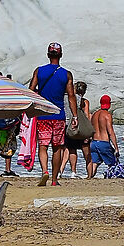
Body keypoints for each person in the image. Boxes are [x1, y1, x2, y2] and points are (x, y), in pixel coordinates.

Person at [28, 42, 76, 186]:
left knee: (43, 146)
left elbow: (31, 90)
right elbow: (71, 95)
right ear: (60, 55)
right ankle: (54, 180)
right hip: (59, 115)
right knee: (57, 147)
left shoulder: (39, 71)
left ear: (48, 55)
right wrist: (75, 116)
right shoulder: (66, 74)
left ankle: (44, 171)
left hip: (43, 114)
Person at [87, 92, 119, 176]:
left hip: (93, 142)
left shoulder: (94, 114)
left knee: (94, 163)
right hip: (103, 142)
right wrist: (116, 147)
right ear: (109, 104)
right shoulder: (107, 115)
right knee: (112, 163)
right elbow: (110, 132)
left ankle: (90, 177)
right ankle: (111, 178)